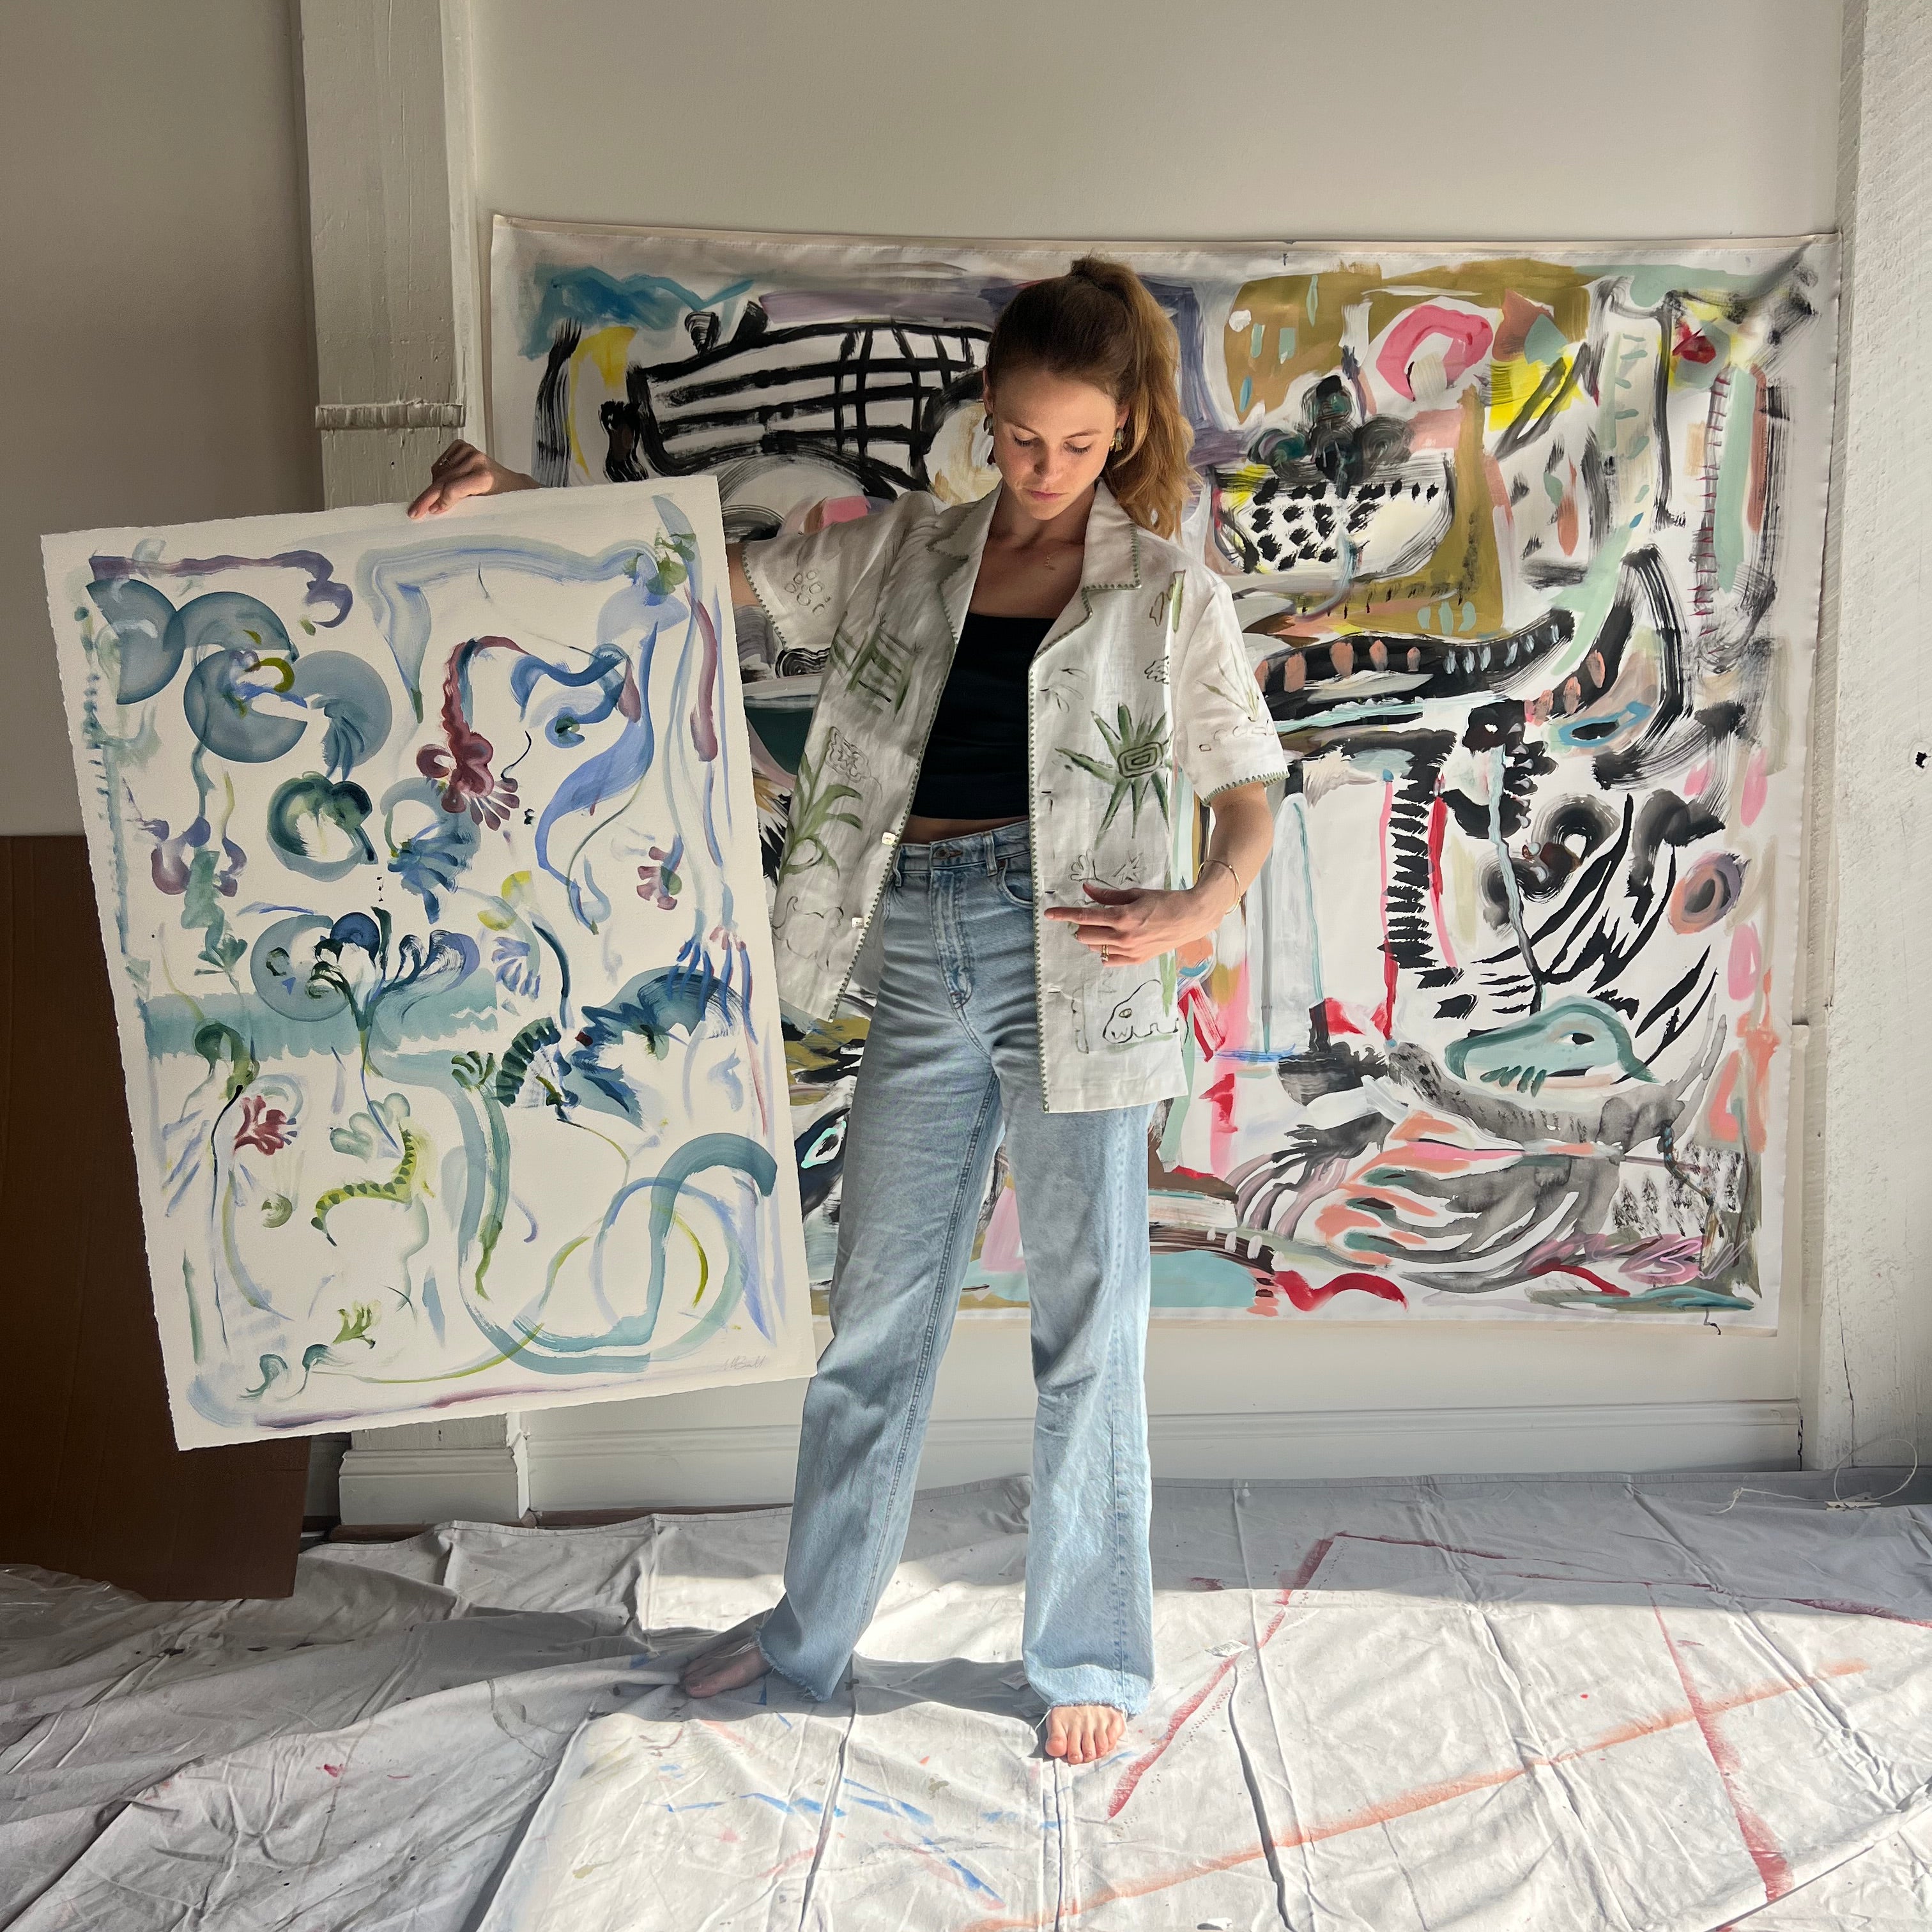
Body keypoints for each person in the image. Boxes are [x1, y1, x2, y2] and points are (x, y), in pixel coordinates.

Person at [409, 256, 1287, 1767]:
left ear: (1124, 430)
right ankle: (813, 1635)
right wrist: (514, 506)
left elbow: (1247, 783)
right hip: (920, 950)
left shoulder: (1164, 592)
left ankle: (1089, 1652)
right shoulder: (908, 553)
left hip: (1080, 965)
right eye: (1023, 438)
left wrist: (1202, 906)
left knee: (1090, 1329)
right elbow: (694, 561)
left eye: (1080, 444)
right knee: (876, 1322)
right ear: (987, 418)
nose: (1048, 469)